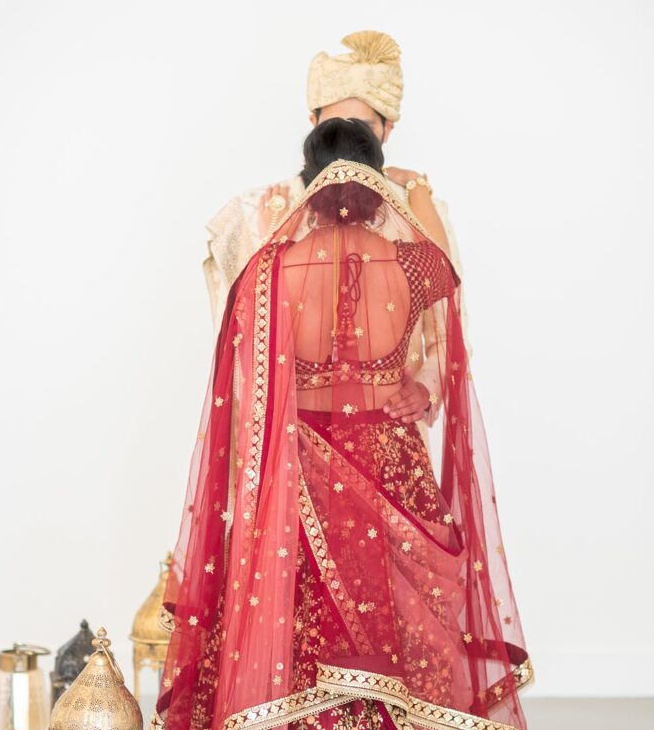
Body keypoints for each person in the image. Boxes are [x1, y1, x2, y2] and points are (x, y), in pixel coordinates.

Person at [139, 117, 534, 730]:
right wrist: (401, 392)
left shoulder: (272, 268)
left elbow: (247, 390)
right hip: (389, 468)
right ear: (379, 178)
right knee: (405, 648)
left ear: (308, 183)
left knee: (294, 646)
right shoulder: (420, 265)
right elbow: (435, 379)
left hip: (299, 476)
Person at [202, 29, 472, 459]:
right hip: (285, 446)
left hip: (388, 435)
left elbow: (451, 327)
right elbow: (234, 341)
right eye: (333, 125)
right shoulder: (255, 211)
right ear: (313, 125)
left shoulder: (421, 212)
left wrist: (428, 389)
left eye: (363, 126)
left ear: (386, 131)